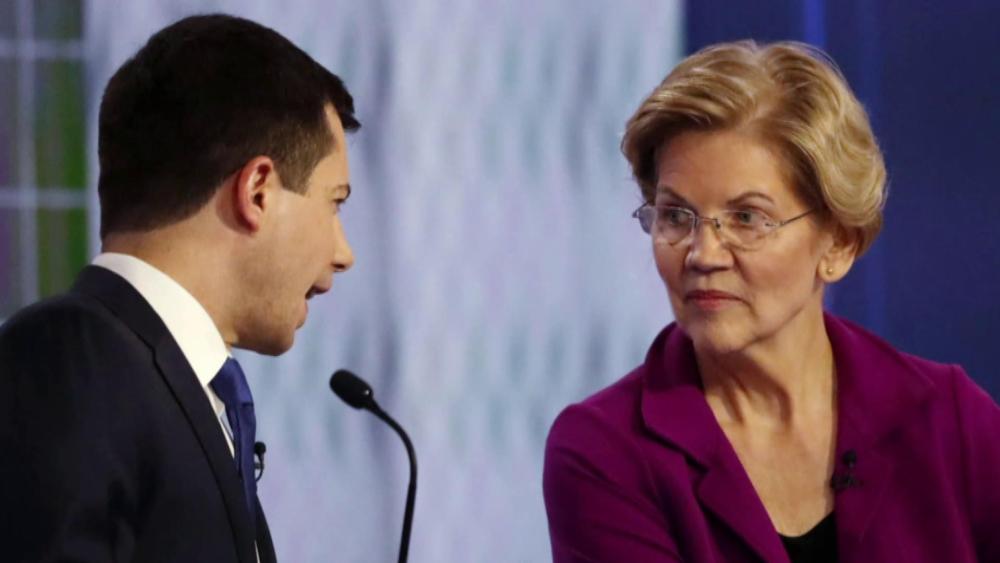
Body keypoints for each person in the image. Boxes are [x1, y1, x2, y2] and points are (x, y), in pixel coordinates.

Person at [543, 40, 1000, 562]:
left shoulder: (950, 422)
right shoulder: (604, 451)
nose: (703, 254)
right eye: (676, 216)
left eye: (746, 218)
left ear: (838, 243)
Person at [0, 14, 358, 563]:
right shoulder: (68, 358)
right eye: (334, 203)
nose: (343, 252)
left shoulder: (174, 387)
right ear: (257, 191)